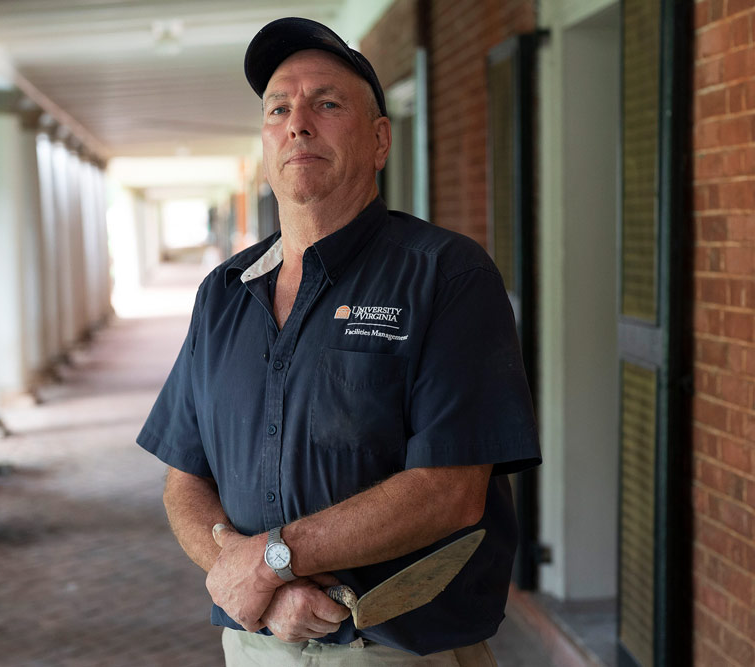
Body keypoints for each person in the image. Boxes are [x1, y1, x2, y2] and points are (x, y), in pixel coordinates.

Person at [137, 16, 541, 666]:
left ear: (380, 140)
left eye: (326, 103)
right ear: (266, 141)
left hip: (393, 649)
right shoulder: (223, 293)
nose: (298, 122)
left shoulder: (446, 275)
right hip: (253, 642)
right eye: (279, 107)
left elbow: (449, 488)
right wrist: (253, 581)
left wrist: (274, 558)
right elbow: (185, 478)